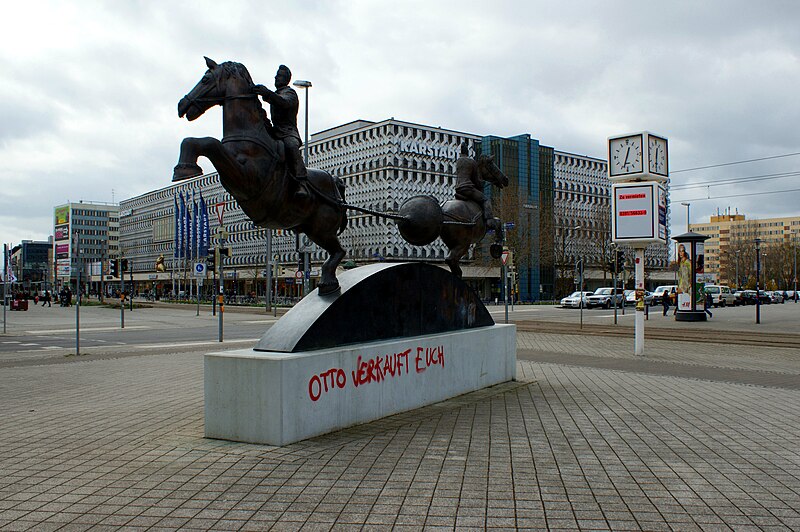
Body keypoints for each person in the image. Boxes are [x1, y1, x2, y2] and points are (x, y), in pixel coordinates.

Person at [252, 65, 308, 199]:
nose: (276, 77)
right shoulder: (276, 94)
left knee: (290, 146)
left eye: (279, 75)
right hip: (275, 131)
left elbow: (284, 103)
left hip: (288, 132)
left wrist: (267, 93)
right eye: (276, 75)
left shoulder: (289, 93)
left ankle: (302, 182)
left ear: (286, 79)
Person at [454, 141, 497, 229]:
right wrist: (482, 183)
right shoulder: (471, 162)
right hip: (467, 188)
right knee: (485, 200)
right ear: (467, 151)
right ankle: (489, 221)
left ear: (461, 152)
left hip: (458, 188)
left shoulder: (458, 161)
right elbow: (475, 179)